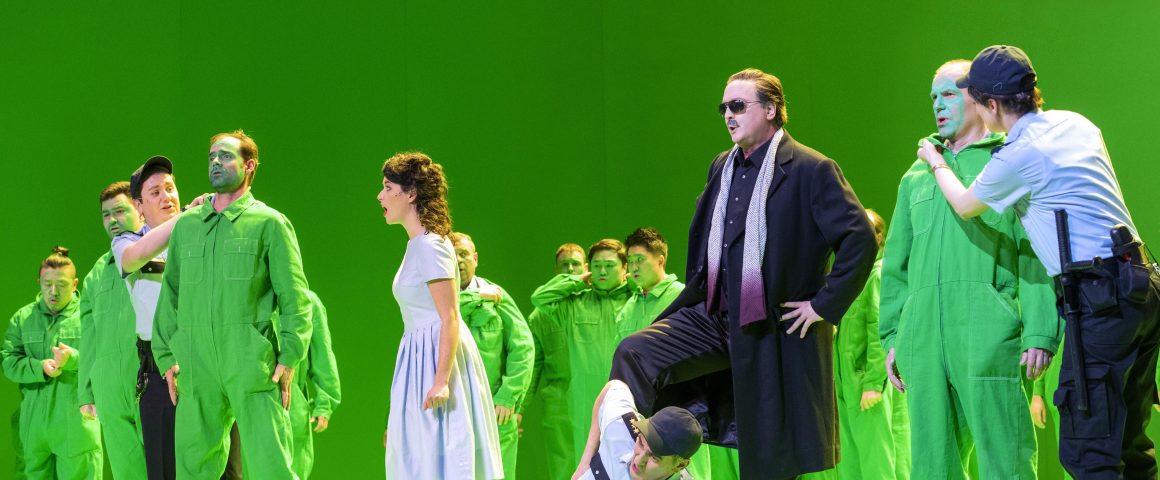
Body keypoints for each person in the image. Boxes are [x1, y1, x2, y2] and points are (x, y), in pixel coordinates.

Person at [610, 68, 878, 479]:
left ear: (771, 109)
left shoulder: (811, 168)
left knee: (771, 457)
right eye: (723, 108)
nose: (728, 116)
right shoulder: (723, 165)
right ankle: (638, 464)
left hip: (770, 328)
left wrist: (823, 305)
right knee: (634, 353)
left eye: (737, 105)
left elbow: (860, 238)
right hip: (715, 315)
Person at [919, 44, 1160, 479]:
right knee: (1130, 441)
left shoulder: (1017, 154)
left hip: (1100, 294)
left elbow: (966, 205)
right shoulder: (1077, 124)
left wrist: (936, 161)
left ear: (991, 106)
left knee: (1090, 450)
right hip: (1141, 285)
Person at [880, 58, 1058, 479]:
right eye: (933, 97)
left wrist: (1040, 331)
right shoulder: (916, 176)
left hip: (988, 332)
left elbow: (1034, 252)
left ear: (978, 98)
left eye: (948, 93)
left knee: (1005, 458)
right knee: (931, 465)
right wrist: (893, 336)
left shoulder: (1008, 161)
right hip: (923, 339)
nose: (937, 105)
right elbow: (896, 266)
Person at [152, 130, 313, 478]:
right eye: (212, 156)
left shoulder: (269, 223)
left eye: (225, 156)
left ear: (249, 165)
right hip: (196, 364)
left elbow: (295, 296)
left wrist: (290, 356)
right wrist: (166, 356)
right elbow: (170, 294)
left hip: (251, 362)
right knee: (193, 467)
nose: (215, 162)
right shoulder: (188, 226)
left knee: (272, 464)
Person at [377, 151, 503, 479]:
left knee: (446, 448)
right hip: (419, 355)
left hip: (436, 356)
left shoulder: (430, 245)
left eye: (388, 188)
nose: (380, 196)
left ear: (411, 194)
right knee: (420, 453)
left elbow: (450, 316)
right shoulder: (417, 244)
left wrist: (441, 381)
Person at [615, 227, 739, 480]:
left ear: (660, 259)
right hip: (643, 410)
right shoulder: (627, 308)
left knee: (687, 465)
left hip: (681, 407)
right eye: (630, 261)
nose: (634, 267)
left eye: (640, 259)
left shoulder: (684, 298)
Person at [113, 155, 189, 478]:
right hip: (158, 370)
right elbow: (134, 257)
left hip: (205, 361)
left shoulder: (197, 234)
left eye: (169, 188)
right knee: (166, 468)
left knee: (226, 468)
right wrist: (188, 217)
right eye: (155, 192)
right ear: (139, 206)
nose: (166, 197)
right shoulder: (127, 241)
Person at [3, 247, 103, 478]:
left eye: (61, 284)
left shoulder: (88, 317)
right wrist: (39, 367)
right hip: (33, 424)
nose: (53, 292)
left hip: (77, 422)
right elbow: (8, 360)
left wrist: (73, 359)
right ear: (39, 282)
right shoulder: (23, 318)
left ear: (75, 284)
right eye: (47, 284)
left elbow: (104, 359)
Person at [532, 239, 630, 468]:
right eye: (597, 266)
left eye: (609, 265)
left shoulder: (634, 300)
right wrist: (577, 280)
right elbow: (539, 297)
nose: (602, 272)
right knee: (583, 464)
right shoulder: (574, 305)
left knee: (627, 463)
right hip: (584, 401)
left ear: (624, 268)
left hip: (626, 397)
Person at [826, 209, 908, 479]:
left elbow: (879, 332)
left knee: (877, 462)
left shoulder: (879, 275)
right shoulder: (853, 279)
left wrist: (873, 383)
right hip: (847, 384)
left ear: (878, 237)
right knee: (851, 462)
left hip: (868, 386)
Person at [78, 181, 148, 478]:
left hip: (149, 376)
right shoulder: (96, 274)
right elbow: (89, 337)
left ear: (139, 209)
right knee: (126, 471)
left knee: (166, 465)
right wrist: (86, 391)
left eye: (120, 211)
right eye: (106, 215)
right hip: (109, 387)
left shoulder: (161, 253)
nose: (112, 220)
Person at [451, 231, 535, 479]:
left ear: (475, 258)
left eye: (464, 254)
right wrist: (476, 297)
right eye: (452, 255)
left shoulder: (497, 296)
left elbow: (523, 346)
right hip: (451, 409)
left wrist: (508, 396)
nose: (459, 261)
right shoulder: (436, 300)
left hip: (493, 408)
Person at [525, 242, 589, 479]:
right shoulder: (540, 315)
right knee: (562, 465)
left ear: (586, 268)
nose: (570, 269)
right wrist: (519, 409)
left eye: (576, 264)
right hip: (558, 400)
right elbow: (533, 366)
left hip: (592, 394)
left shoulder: (595, 304)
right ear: (556, 270)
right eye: (565, 265)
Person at [571, 380, 702, 480]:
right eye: (640, 442)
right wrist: (585, 464)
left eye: (654, 457)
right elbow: (614, 387)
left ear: (680, 465)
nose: (638, 461)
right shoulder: (620, 430)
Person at [273, 289, 341, 479]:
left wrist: (325, 402)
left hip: (292, 404)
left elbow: (323, 355)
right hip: (251, 401)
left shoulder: (307, 302)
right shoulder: (251, 299)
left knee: (293, 469)